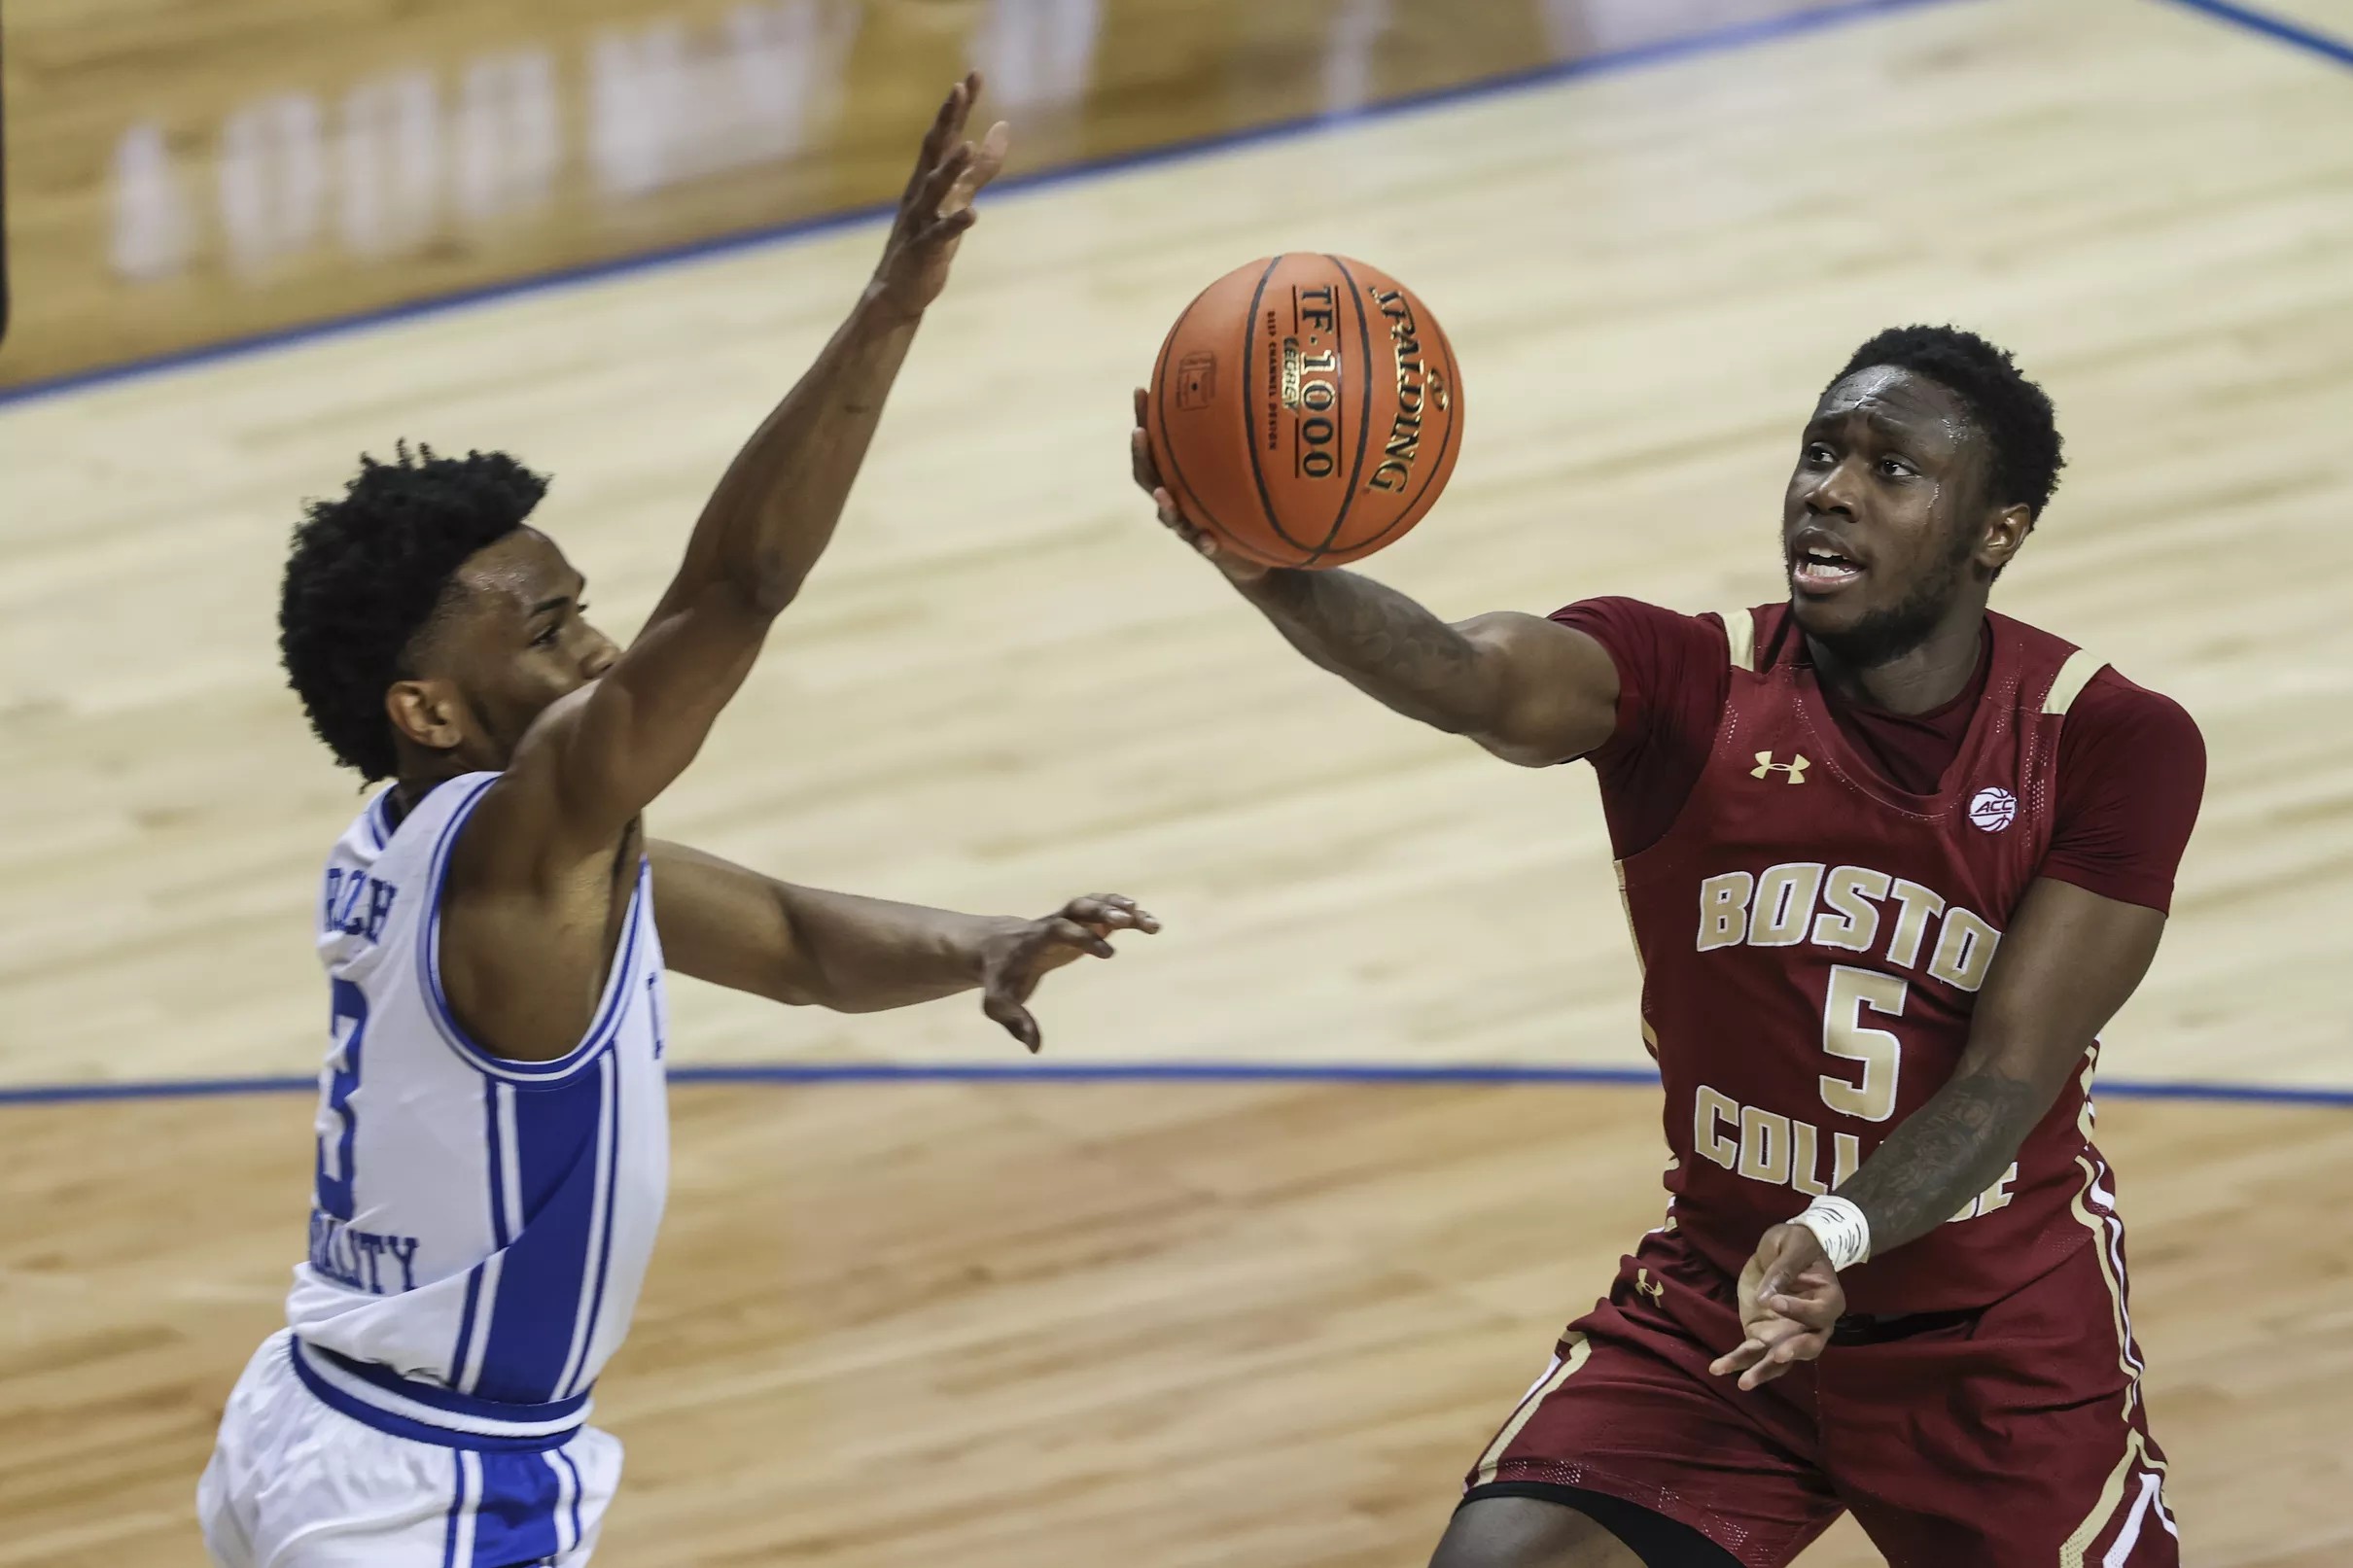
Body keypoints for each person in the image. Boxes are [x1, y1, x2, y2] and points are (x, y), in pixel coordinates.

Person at [199, 77, 1157, 1568]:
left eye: (584, 614)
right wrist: (893, 300)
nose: (594, 656)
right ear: (429, 708)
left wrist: (981, 945)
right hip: (427, 1487)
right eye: (551, 631)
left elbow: (785, 940)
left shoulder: (430, 846)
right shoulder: (521, 843)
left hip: (315, 1420)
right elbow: (737, 593)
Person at [1128, 326, 2203, 1566]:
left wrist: (1836, 1233)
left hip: (1989, 1344)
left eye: (1890, 469)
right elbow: (1467, 675)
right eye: (1818, 450)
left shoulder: (2107, 740)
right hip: (1720, 1296)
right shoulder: (1686, 680)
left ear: (1994, 532)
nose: (1830, 489)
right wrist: (1269, 570)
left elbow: (2009, 1076)